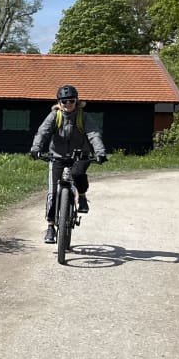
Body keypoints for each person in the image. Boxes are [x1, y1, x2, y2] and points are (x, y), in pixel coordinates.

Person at [30, 84, 107, 244]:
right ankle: (51, 227)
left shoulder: (83, 117)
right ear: (59, 102)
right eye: (64, 101)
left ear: (76, 101)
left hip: (79, 155)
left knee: (78, 174)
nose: (68, 104)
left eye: (71, 101)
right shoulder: (54, 116)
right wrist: (36, 148)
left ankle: (83, 196)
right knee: (52, 192)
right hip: (57, 156)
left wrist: (99, 152)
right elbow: (43, 132)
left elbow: (93, 134)